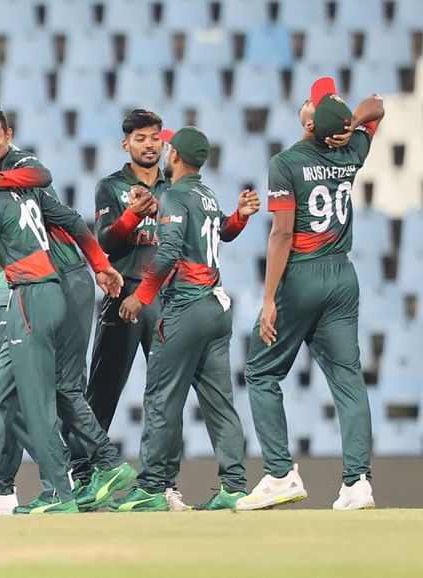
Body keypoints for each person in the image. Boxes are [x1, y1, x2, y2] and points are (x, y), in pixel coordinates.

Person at [0, 109, 137, 514]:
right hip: (38, 293)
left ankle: (64, 491)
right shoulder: (17, 193)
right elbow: (67, 217)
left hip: (33, 295)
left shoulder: (3, 190)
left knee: (37, 403)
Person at [237, 78, 384, 511]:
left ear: (307, 125)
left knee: (261, 372)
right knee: (349, 381)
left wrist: (268, 299)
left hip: (302, 274)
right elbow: (377, 104)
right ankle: (358, 483)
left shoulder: (286, 163)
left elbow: (282, 234)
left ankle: (280, 474)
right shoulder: (352, 152)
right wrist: (350, 122)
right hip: (343, 276)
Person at [114, 126, 260, 512]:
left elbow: (167, 254)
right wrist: (240, 218)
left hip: (187, 307)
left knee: (162, 397)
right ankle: (234, 487)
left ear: (175, 156)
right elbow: (222, 233)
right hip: (217, 307)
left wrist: (140, 297)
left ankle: (152, 488)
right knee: (219, 401)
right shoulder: (206, 194)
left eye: (167, 146)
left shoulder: (176, 195)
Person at [74, 110, 170, 486]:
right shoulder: (110, 186)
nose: (150, 145)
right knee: (103, 388)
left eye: (155, 137)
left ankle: (161, 483)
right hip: (124, 293)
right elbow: (106, 242)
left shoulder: (174, 186)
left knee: (164, 395)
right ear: (125, 144)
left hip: (164, 299)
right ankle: (82, 476)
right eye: (141, 138)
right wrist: (131, 216)